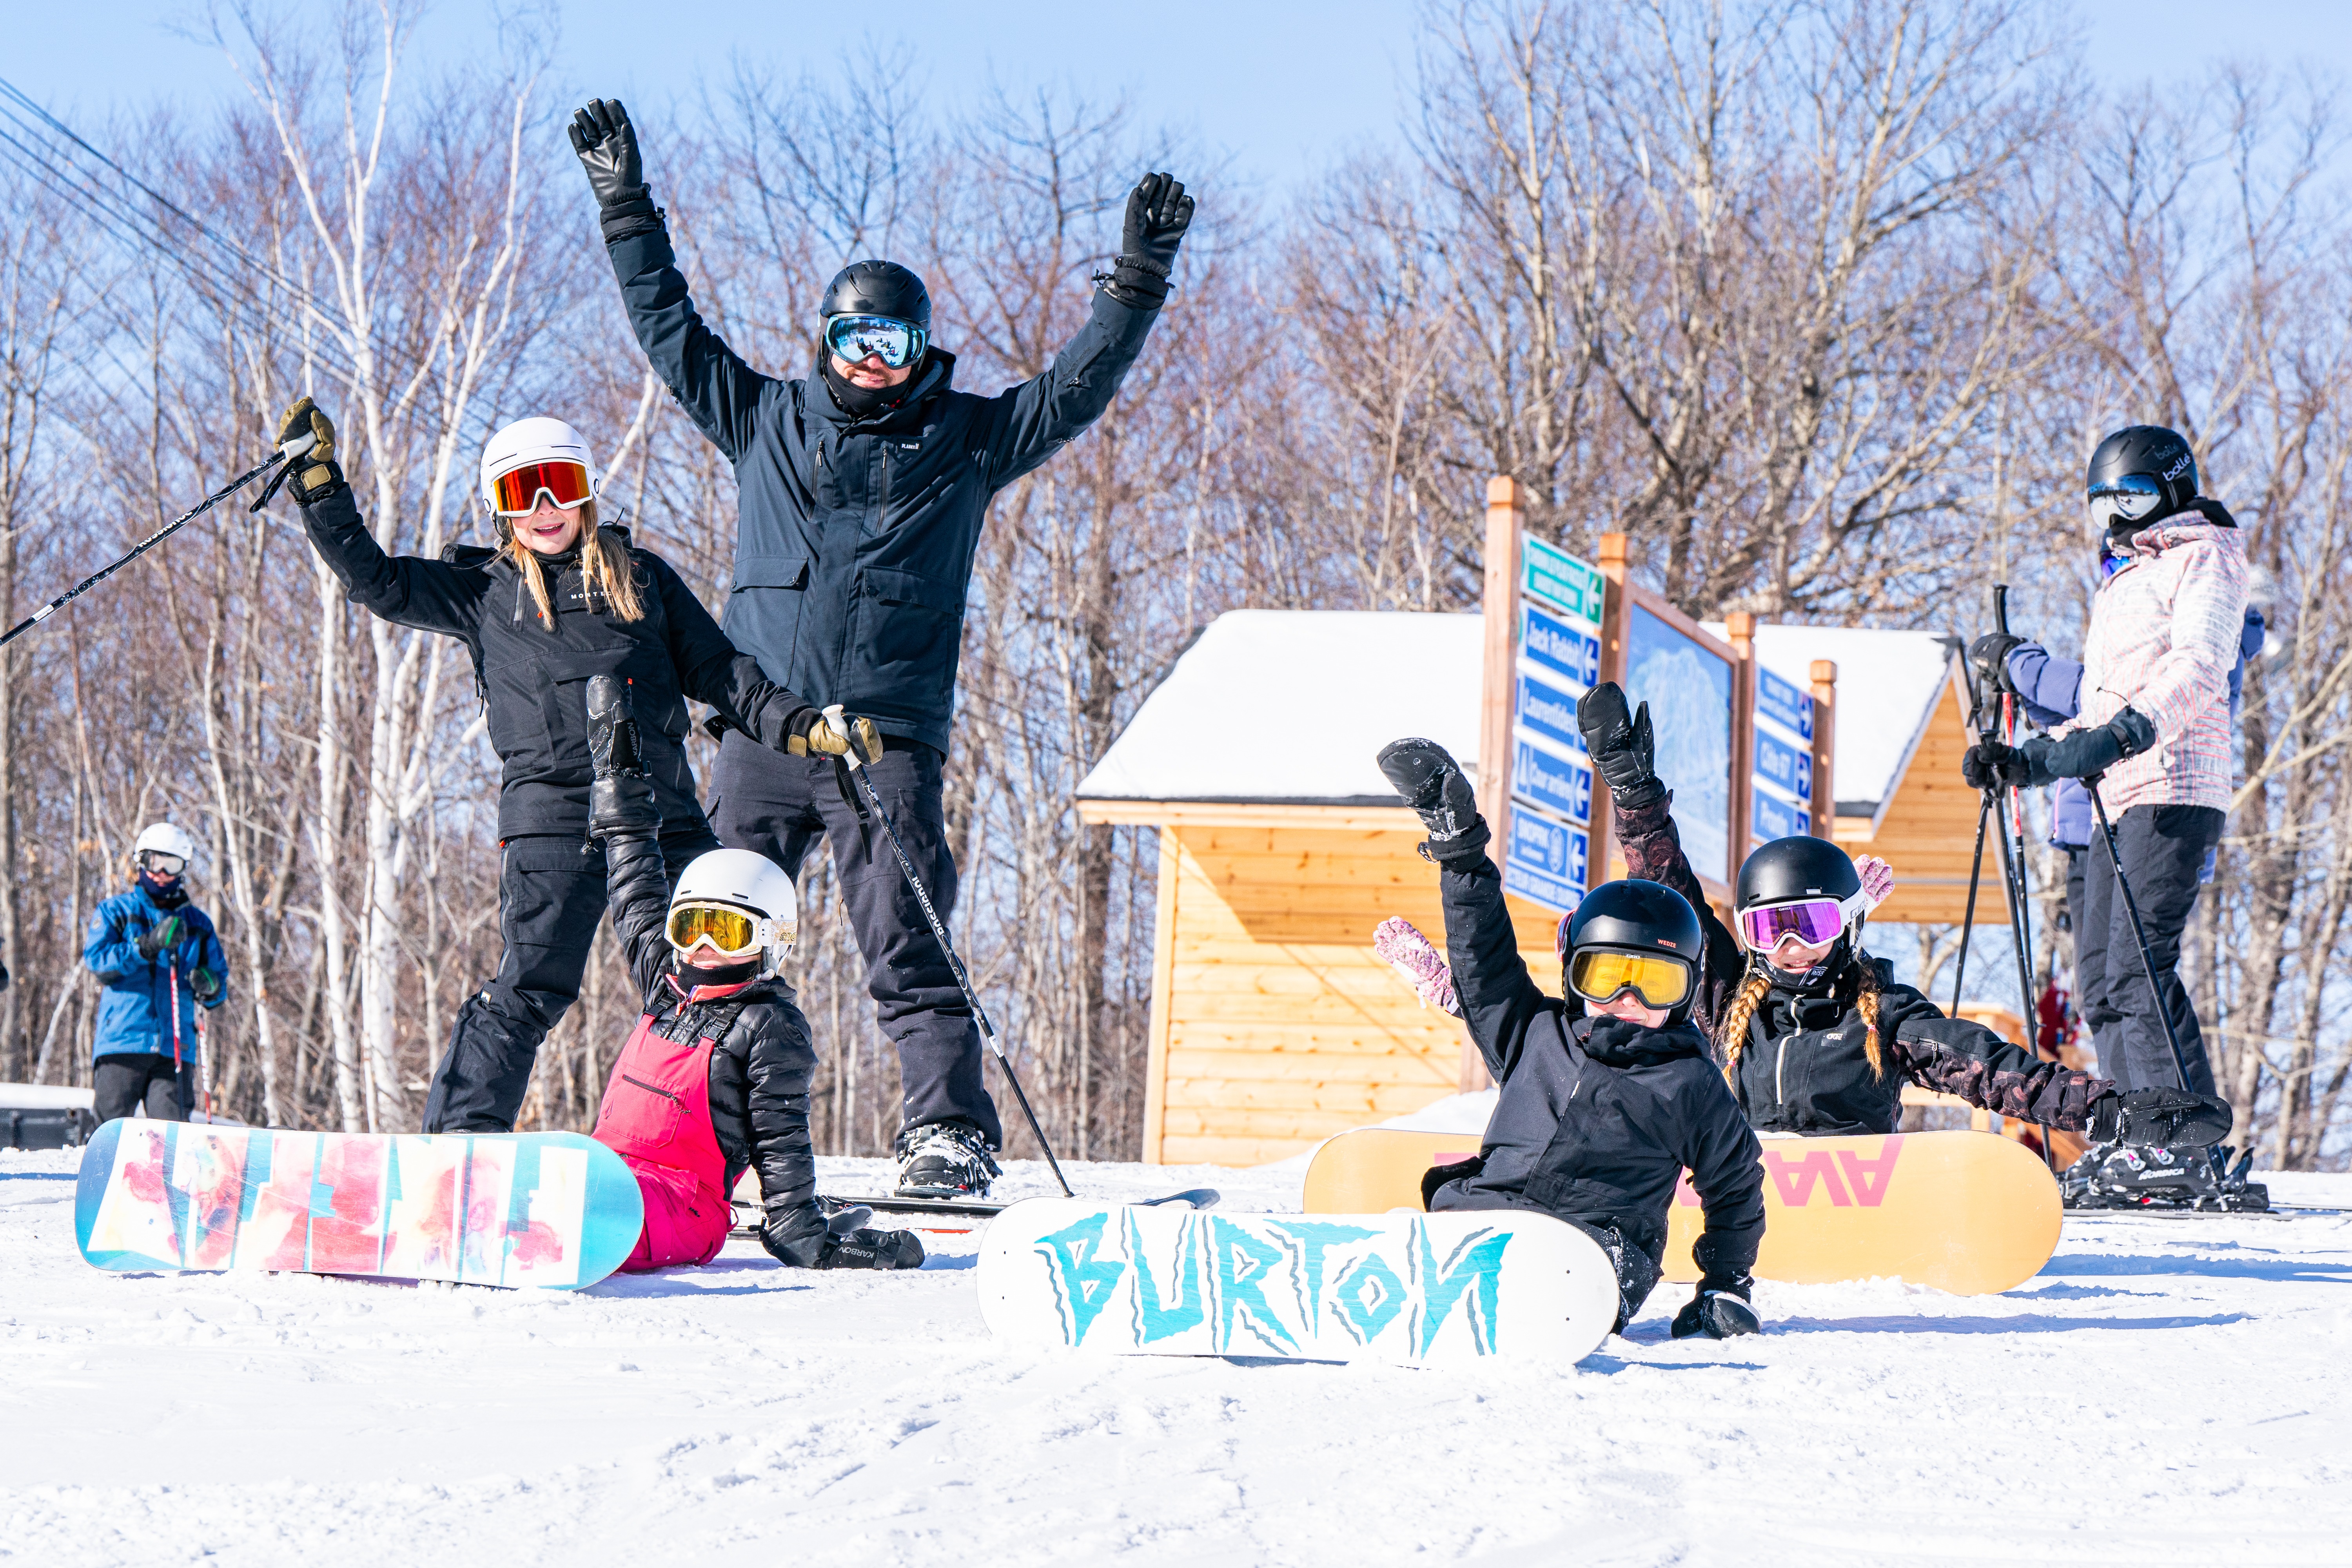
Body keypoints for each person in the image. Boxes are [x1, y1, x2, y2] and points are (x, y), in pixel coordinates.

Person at [569, 98, 1194, 1197]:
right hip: (765, 732)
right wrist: (626, 205)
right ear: (826, 343)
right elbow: (667, 326)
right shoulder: (764, 419)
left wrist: (1134, 283)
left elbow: (1073, 391)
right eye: (855, 340)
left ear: (919, 351)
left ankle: (947, 1134)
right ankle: (689, 1124)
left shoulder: (962, 443)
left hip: (885, 741)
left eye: (895, 343)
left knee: (907, 941)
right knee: (707, 936)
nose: (874, 362)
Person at [274, 397, 851, 1134]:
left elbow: (724, 674)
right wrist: (320, 484)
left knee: (711, 977)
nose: (546, 507)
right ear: (500, 511)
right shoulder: (486, 592)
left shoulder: (642, 580)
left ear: (587, 491)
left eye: (560, 484)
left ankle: (715, 1151)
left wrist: (804, 726)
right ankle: (462, 1147)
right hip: (552, 821)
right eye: (524, 492)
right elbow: (377, 582)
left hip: (660, 813)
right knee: (533, 985)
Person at [1575, 680, 2243, 1208]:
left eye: (1808, 927)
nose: (1789, 949)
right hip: (1739, 1196)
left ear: (1845, 925)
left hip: (1851, 1206)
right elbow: (1666, 881)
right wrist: (1635, 797)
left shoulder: (1882, 1013)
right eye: (1765, 930)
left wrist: (2116, 1111)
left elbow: (1996, 1072)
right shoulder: (1729, 1002)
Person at [1376, 737, 1768, 1341]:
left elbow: (1736, 1181)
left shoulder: (1689, 1081)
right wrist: (1459, 850)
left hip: (1593, 1257)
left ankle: (1471, 1287)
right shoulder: (1534, 1032)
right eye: (1607, 977)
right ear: (1574, 976)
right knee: (1432, 1236)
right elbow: (1482, 957)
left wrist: (1724, 1284)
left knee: (1523, 1260)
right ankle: (1390, 1279)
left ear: (1687, 993)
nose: (1629, 1001)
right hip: (1479, 1225)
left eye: (1656, 983)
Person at [581, 677, 922, 1273]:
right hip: (606, 1178)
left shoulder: (768, 1028)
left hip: (682, 1208)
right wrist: (619, 784)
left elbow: (781, 1137)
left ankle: (554, 1226)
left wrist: (802, 1230)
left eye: (729, 932)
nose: (706, 948)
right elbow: (634, 885)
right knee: (564, 1177)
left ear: (771, 942)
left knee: (590, 1201)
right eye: (693, 928)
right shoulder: (668, 988)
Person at [85, 823, 228, 1122]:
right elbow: (98, 962)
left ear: (182, 870)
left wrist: (211, 986)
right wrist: (145, 947)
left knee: (171, 1138)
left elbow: (217, 984)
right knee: (111, 1129)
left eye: (171, 865)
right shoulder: (117, 911)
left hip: (174, 1048)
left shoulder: (198, 925)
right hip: (124, 1039)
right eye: (154, 863)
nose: (161, 874)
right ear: (141, 861)